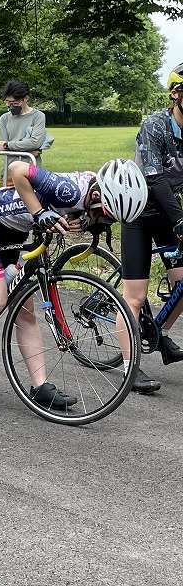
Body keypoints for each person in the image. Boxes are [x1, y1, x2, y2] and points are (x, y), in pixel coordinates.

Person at [0, 159, 148, 408]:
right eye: (104, 214)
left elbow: (71, 216)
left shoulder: (93, 199)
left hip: (13, 231)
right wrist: (40, 213)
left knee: (26, 314)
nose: (103, 221)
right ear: (95, 195)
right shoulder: (68, 189)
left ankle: (40, 387)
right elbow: (17, 169)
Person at [118, 62, 183, 393]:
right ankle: (130, 370)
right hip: (140, 213)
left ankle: (156, 332)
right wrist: (181, 220)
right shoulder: (155, 125)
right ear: (176, 95)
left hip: (169, 215)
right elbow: (156, 179)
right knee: (135, 296)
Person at [0, 80, 47, 166]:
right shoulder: (4, 118)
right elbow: (2, 147)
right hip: (9, 169)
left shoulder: (38, 116)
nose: (10, 106)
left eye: (14, 103)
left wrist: (8, 145)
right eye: (7, 102)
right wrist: (28, 152)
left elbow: (35, 143)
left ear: (25, 99)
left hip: (31, 170)